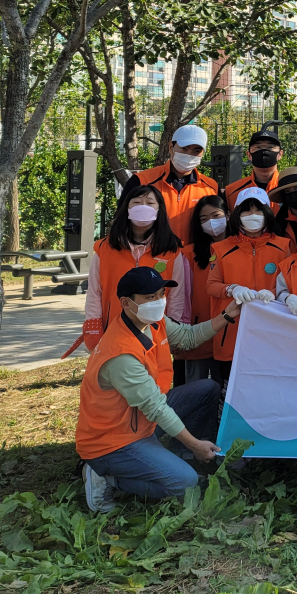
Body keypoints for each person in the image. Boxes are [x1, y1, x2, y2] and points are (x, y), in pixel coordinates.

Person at [77, 266, 240, 512]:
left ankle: (176, 456)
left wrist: (227, 315)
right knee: (186, 483)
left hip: (140, 420)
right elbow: (156, 408)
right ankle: (106, 476)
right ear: (126, 303)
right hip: (115, 440)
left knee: (207, 389)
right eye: (149, 297)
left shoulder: (154, 322)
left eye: (160, 294)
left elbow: (188, 337)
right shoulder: (120, 353)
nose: (158, 301)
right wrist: (195, 443)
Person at [84, 185, 186, 351]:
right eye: (137, 202)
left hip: (155, 332)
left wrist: (173, 327)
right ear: (127, 208)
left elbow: (177, 293)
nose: (143, 206)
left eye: (149, 203)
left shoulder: (171, 249)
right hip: (113, 329)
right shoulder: (105, 248)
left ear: (159, 209)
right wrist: (93, 327)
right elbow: (95, 292)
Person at [206, 187, 293, 378]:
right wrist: (232, 289)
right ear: (237, 214)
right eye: (246, 210)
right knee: (228, 393)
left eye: (258, 210)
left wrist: (272, 292)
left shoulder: (283, 246)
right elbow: (211, 286)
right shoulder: (220, 248)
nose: (252, 215)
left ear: (267, 213)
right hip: (230, 333)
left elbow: (291, 283)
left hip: (271, 333)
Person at [127, 124, 219, 246]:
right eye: (185, 148)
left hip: (195, 260)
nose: (190, 154)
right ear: (171, 147)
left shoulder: (211, 187)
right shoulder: (142, 180)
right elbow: (122, 220)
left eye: (197, 150)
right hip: (152, 258)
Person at [179, 195, 229, 384]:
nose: (211, 222)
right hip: (196, 333)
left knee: (223, 390)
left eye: (216, 215)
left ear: (228, 215)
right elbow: (181, 296)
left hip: (227, 331)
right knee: (194, 388)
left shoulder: (238, 250)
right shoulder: (188, 254)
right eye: (204, 219)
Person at [225, 129, 284, 209]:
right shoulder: (231, 191)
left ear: (280, 154)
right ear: (249, 155)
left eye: (270, 147)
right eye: (258, 147)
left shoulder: (288, 188)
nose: (264, 151)